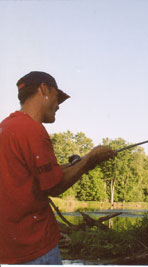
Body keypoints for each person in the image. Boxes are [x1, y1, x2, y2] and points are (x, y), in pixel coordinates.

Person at [0, 71, 116, 264]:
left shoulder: (6, 126)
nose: (58, 106)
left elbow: (38, 175)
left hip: (10, 251)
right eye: (57, 97)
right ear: (44, 89)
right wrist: (90, 158)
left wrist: (82, 164)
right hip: (35, 249)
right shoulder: (33, 130)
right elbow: (55, 185)